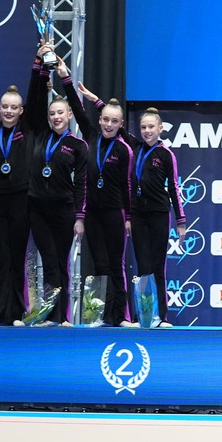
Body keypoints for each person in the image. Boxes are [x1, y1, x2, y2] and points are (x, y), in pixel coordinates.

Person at [64, 71, 135, 327]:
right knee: (100, 264)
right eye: (105, 119)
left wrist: (128, 217)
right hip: (93, 213)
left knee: (116, 265)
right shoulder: (91, 138)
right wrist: (65, 80)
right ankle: (104, 316)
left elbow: (128, 186)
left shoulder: (125, 149)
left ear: (120, 124)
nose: (108, 125)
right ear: (100, 119)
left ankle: (122, 316)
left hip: (115, 212)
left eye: (114, 121)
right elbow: (76, 109)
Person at [25, 45, 89, 325]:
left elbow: (82, 183)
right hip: (37, 208)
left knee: (60, 262)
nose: (56, 117)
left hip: (64, 209)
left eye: (61, 113)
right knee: (48, 260)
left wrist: (79, 216)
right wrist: (39, 63)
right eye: (52, 113)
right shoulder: (40, 133)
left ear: (70, 115)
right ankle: (52, 315)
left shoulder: (78, 145)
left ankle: (61, 315)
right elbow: (34, 100)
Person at [0, 72, 49, 326]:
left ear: (21, 111)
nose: (9, 111)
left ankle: (17, 312)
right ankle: (3, 313)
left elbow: (37, 98)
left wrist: (39, 69)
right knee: (0, 258)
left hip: (21, 201)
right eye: (5, 107)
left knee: (17, 258)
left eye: (14, 108)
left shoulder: (28, 128)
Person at [126, 107, 186, 327]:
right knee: (143, 266)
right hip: (138, 216)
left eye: (151, 127)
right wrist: (96, 101)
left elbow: (174, 188)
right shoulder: (135, 148)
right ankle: (142, 316)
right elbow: (116, 125)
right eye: (143, 127)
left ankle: (160, 316)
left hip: (159, 213)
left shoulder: (166, 154)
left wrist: (181, 222)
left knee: (157, 266)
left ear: (160, 129)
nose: (147, 131)